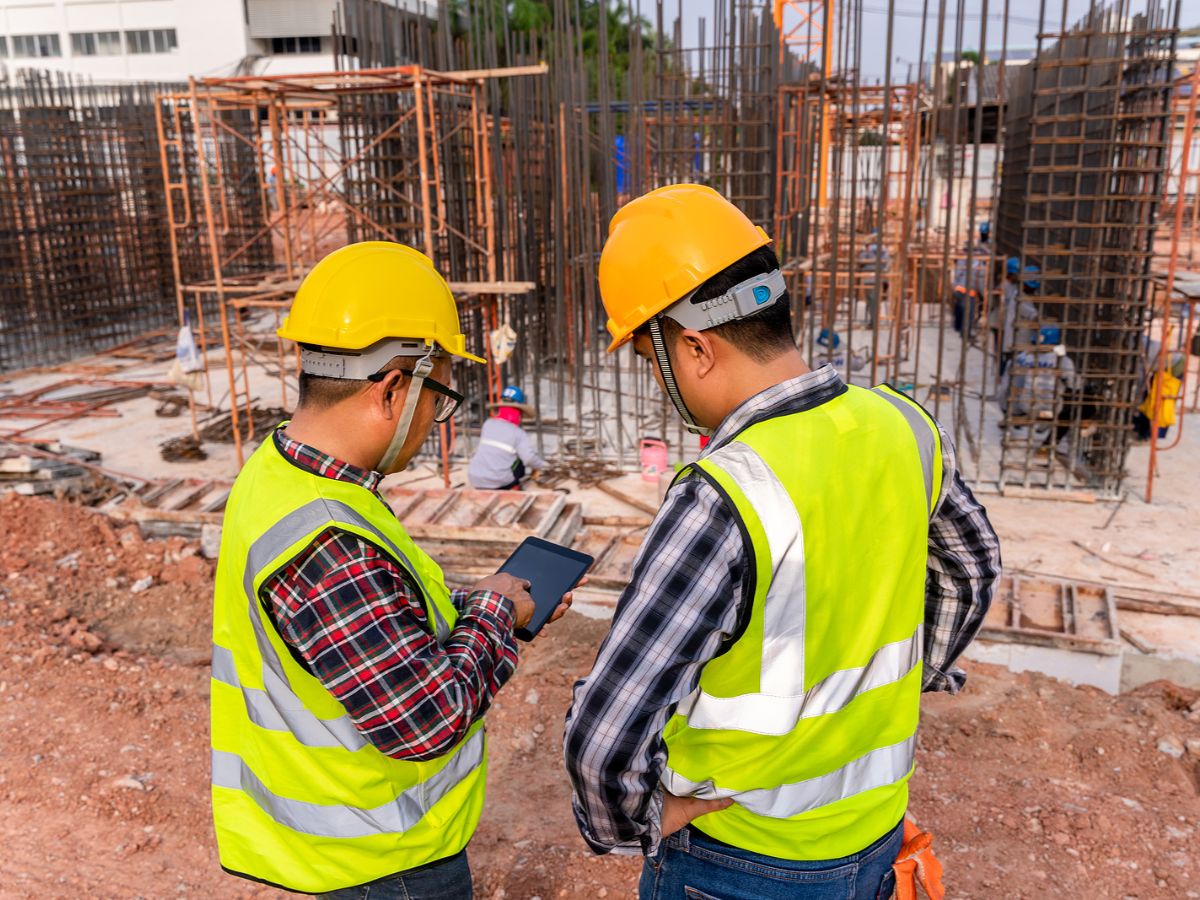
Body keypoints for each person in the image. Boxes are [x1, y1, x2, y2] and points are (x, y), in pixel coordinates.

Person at [563, 184, 1001, 900]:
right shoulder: (903, 427)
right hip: (872, 836)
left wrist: (637, 819)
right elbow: (971, 567)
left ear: (696, 348)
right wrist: (894, 690)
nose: (658, 380)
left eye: (654, 360)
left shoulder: (723, 492)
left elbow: (605, 737)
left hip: (737, 856)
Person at [210, 242, 573, 898]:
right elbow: (427, 718)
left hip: (350, 858)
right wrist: (496, 614)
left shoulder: (281, 475)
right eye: (438, 399)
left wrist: (473, 601)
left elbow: (371, 615)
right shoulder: (326, 542)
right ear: (393, 391)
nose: (439, 422)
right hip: (385, 866)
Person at [467, 384, 547, 490]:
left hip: (475, 478)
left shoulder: (488, 424)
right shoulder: (518, 433)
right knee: (520, 461)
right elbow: (529, 458)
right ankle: (513, 486)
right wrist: (542, 465)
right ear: (519, 411)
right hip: (499, 482)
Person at [951, 222, 990, 340]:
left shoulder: (963, 259)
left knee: (960, 308)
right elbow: (980, 281)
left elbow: (957, 273)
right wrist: (985, 296)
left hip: (958, 288)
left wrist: (954, 286)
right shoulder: (978, 266)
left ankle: (957, 326)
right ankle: (965, 334)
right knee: (969, 313)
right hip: (968, 291)